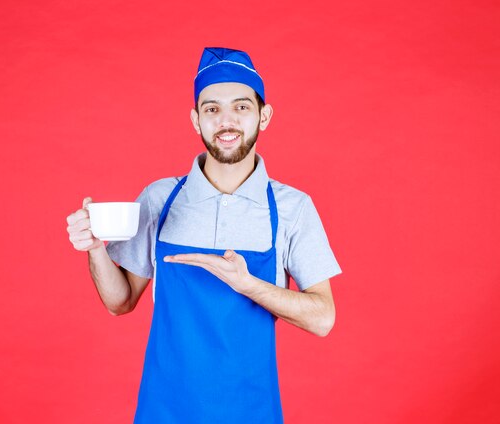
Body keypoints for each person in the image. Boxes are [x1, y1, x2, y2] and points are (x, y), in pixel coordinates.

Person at [66, 47, 342, 423]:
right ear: (196, 120)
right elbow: (120, 301)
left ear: (265, 116)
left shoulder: (293, 208)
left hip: (252, 412)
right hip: (163, 411)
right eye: (212, 109)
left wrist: (249, 285)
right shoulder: (160, 199)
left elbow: (323, 318)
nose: (226, 121)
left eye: (241, 107)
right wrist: (95, 248)